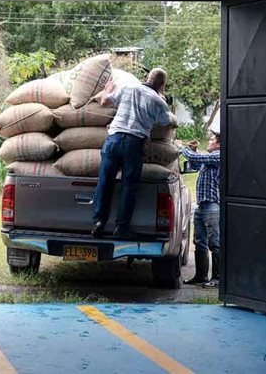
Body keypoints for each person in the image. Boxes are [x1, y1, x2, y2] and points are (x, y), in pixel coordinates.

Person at [91, 68, 173, 239]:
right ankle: (122, 228)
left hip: (113, 140)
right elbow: (166, 122)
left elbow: (105, 102)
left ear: (147, 78)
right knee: (129, 186)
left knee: (105, 181)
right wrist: (161, 100)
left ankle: (99, 221)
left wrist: (107, 89)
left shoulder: (128, 88)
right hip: (134, 144)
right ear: (162, 85)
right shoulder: (159, 102)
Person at [180, 132, 221, 287]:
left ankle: (217, 278)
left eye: (211, 140)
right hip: (202, 205)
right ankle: (201, 276)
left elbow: (196, 159)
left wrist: (183, 148)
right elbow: (196, 164)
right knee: (199, 241)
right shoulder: (209, 158)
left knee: (214, 241)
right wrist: (193, 150)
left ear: (219, 144)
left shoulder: (218, 156)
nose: (208, 142)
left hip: (212, 205)